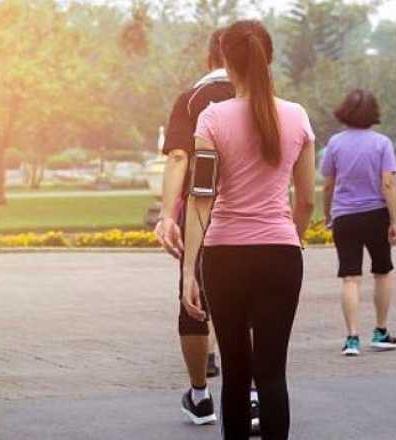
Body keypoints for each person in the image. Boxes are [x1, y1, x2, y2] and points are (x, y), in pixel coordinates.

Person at [176, 19, 316, 439]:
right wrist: (294, 238)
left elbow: (201, 197)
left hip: (224, 258)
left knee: (236, 375)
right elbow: (307, 199)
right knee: (272, 373)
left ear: (225, 61)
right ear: (269, 58)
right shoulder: (297, 116)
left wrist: (189, 271)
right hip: (280, 254)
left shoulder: (212, 118)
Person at [155, 27, 232, 428]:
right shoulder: (262, 101)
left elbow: (179, 157)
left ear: (208, 59)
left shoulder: (190, 100)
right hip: (252, 214)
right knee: (250, 303)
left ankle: (200, 396)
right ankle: (250, 393)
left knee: (193, 296)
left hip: (200, 213)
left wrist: (168, 214)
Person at [320, 89, 396, 357]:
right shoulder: (382, 143)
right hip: (376, 215)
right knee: (382, 271)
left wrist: (329, 214)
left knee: (350, 277)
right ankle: (380, 331)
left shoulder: (334, 144)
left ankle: (352, 338)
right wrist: (394, 220)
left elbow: (328, 185)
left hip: (345, 217)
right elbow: (388, 183)